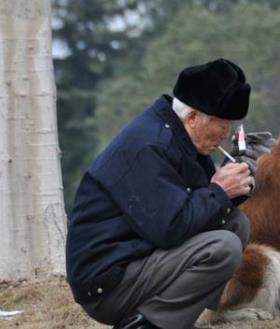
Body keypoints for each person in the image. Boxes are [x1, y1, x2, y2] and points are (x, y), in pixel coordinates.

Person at [66, 59, 255, 329]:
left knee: (236, 224)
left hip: (140, 258)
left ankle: (185, 316)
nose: (224, 137)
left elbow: (196, 205)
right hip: (108, 282)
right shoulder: (150, 145)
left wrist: (235, 189)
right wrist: (219, 191)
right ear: (192, 117)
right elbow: (170, 228)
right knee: (223, 247)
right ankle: (147, 323)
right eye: (222, 127)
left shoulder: (183, 137)